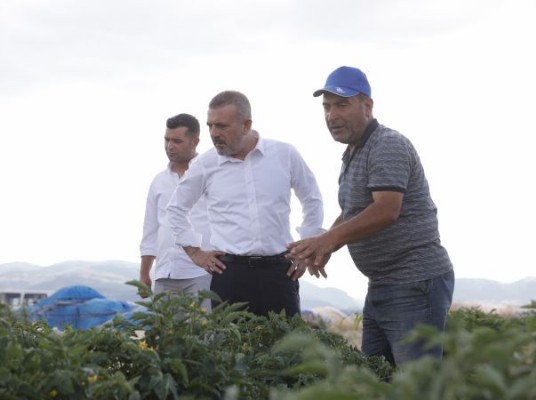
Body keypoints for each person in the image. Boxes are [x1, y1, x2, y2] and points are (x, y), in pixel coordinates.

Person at [287, 66, 454, 367]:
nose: (331, 115)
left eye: (342, 104)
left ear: (367, 106)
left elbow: (387, 209)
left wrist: (330, 238)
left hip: (414, 283)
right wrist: (324, 245)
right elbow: (353, 210)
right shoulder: (354, 152)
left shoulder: (387, 144)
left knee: (416, 386)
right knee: (376, 380)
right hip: (383, 284)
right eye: (326, 107)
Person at [166, 90, 324, 317]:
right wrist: (195, 252)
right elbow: (176, 209)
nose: (213, 133)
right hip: (230, 275)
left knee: (286, 347)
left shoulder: (284, 154)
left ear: (246, 125)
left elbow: (312, 199)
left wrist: (307, 249)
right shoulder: (206, 163)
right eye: (210, 125)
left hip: (280, 273)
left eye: (222, 126)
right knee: (229, 350)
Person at [139, 113, 212, 311]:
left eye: (177, 141)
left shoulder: (210, 174)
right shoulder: (159, 181)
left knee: (205, 335)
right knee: (167, 337)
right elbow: (151, 229)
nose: (170, 146)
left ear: (194, 141)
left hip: (201, 273)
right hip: (164, 273)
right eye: (167, 140)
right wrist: (144, 274)